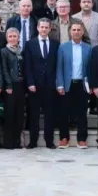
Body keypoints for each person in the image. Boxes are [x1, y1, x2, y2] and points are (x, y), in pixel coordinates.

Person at [22, 18, 59, 149]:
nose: (44, 29)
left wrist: (56, 81)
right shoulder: (29, 44)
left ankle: (49, 141)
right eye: (41, 27)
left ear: (50, 29)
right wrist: (30, 82)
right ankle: (33, 141)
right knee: (34, 114)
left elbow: (57, 65)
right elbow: (27, 65)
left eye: (46, 27)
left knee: (50, 114)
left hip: (50, 85)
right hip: (35, 86)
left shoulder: (55, 44)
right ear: (37, 28)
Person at [56, 22, 91, 148]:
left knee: (82, 113)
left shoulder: (88, 48)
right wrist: (59, 84)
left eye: (78, 30)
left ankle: (81, 139)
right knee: (64, 112)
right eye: (74, 29)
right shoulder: (63, 47)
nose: (76, 32)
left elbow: (90, 68)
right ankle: (64, 138)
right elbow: (59, 67)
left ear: (82, 32)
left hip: (82, 84)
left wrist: (90, 85)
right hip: (67, 84)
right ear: (70, 32)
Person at [0, 27, 25, 150]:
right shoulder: (3, 51)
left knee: (19, 114)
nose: (13, 38)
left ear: (18, 38)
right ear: (7, 38)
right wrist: (8, 85)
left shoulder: (22, 51)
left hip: (21, 86)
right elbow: (4, 69)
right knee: (9, 114)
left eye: (15, 36)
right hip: (10, 86)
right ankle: (8, 142)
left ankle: (17, 141)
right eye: (10, 36)